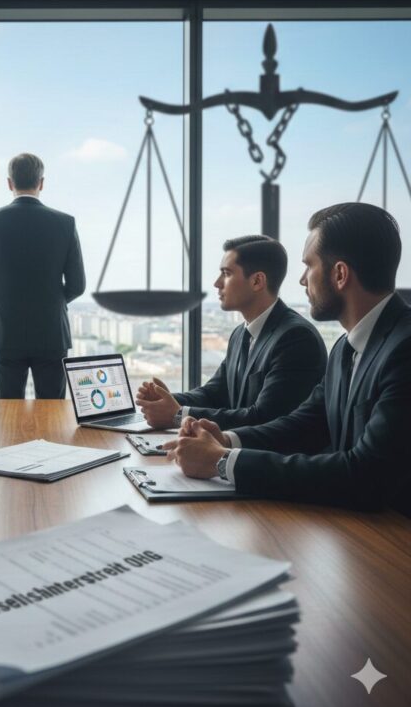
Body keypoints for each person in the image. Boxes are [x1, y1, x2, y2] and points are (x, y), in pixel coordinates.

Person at [165, 202, 411, 515]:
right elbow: (304, 425)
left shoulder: (405, 350)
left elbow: (366, 474)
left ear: (339, 274)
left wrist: (222, 462)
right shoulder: (344, 349)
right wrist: (226, 440)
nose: (302, 279)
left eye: (309, 266)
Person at [136, 235, 326, 430]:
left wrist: (178, 415)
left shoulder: (296, 338)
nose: (217, 283)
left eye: (226, 273)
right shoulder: (240, 334)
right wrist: (166, 400)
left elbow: (265, 417)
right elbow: (215, 393)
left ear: (257, 281)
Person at [0, 153, 86, 398]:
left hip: (5, 332)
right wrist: (52, 300)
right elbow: (77, 285)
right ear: (41, 183)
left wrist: (3, 299)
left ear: (9, 183)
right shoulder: (65, 223)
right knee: (52, 411)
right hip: (52, 333)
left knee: (8, 412)